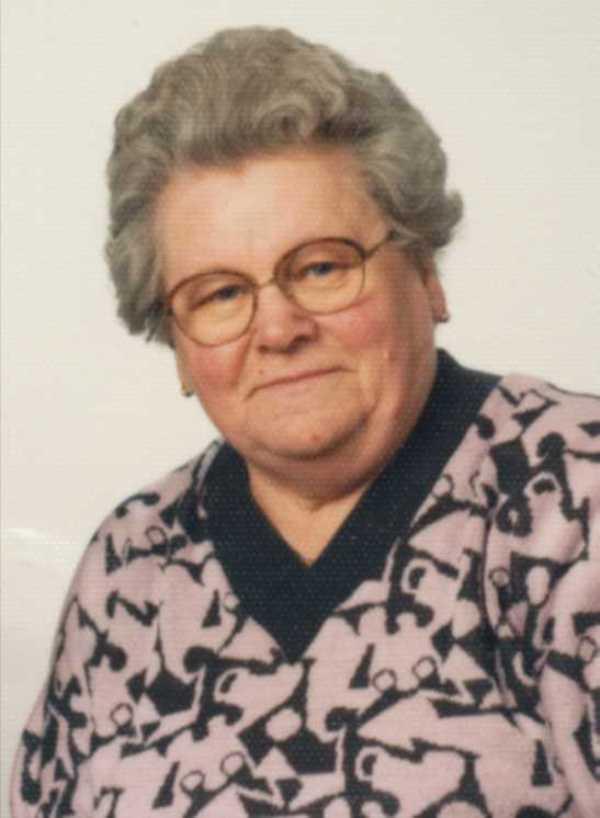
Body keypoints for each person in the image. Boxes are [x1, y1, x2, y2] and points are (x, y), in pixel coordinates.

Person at [11, 26, 600, 818]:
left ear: (426, 272)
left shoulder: (574, 499)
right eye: (220, 294)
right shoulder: (129, 569)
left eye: (321, 267)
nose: (279, 328)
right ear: (177, 345)